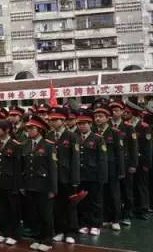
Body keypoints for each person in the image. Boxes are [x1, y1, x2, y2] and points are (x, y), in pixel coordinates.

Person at [22, 114, 57, 252]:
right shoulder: (26, 145)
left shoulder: (48, 146)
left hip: (44, 186)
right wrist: (23, 185)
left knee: (45, 214)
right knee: (34, 214)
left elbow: (53, 169)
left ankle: (47, 240)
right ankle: (38, 238)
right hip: (30, 185)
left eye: (31, 128)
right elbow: (24, 167)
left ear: (40, 129)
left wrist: (53, 189)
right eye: (28, 128)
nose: (28, 130)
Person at [47, 106, 80, 244]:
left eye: (56, 120)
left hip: (67, 177)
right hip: (53, 178)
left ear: (63, 120)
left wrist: (75, 179)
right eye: (52, 120)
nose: (53, 122)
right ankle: (60, 230)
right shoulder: (48, 136)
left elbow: (75, 160)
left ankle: (70, 232)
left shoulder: (72, 136)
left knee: (70, 205)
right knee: (56, 205)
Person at [93, 101, 125, 231]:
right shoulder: (94, 132)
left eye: (101, 116)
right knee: (103, 194)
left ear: (107, 118)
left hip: (112, 168)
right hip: (98, 169)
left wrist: (121, 170)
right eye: (96, 116)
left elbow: (120, 153)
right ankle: (106, 218)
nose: (98, 118)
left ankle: (116, 219)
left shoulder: (115, 132)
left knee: (114, 194)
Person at [77, 109, 108, 236]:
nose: (82, 126)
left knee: (95, 201)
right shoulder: (76, 138)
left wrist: (102, 177)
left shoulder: (97, 139)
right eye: (80, 124)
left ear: (90, 124)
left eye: (85, 123)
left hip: (94, 176)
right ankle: (84, 223)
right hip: (80, 175)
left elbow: (102, 159)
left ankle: (95, 224)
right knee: (83, 201)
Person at [0, 119, 21, 246]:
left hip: (11, 183)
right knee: (2, 209)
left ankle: (14, 234)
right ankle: (4, 232)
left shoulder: (15, 145)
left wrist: (16, 186)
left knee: (13, 210)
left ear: (7, 130)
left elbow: (18, 168)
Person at [110, 99, 138, 227]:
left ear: (122, 111)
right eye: (112, 110)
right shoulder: (108, 126)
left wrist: (133, 164)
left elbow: (134, 147)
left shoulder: (128, 127)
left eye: (117, 110)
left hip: (126, 163)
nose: (114, 113)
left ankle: (127, 214)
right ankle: (114, 214)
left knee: (127, 190)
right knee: (114, 191)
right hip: (111, 164)